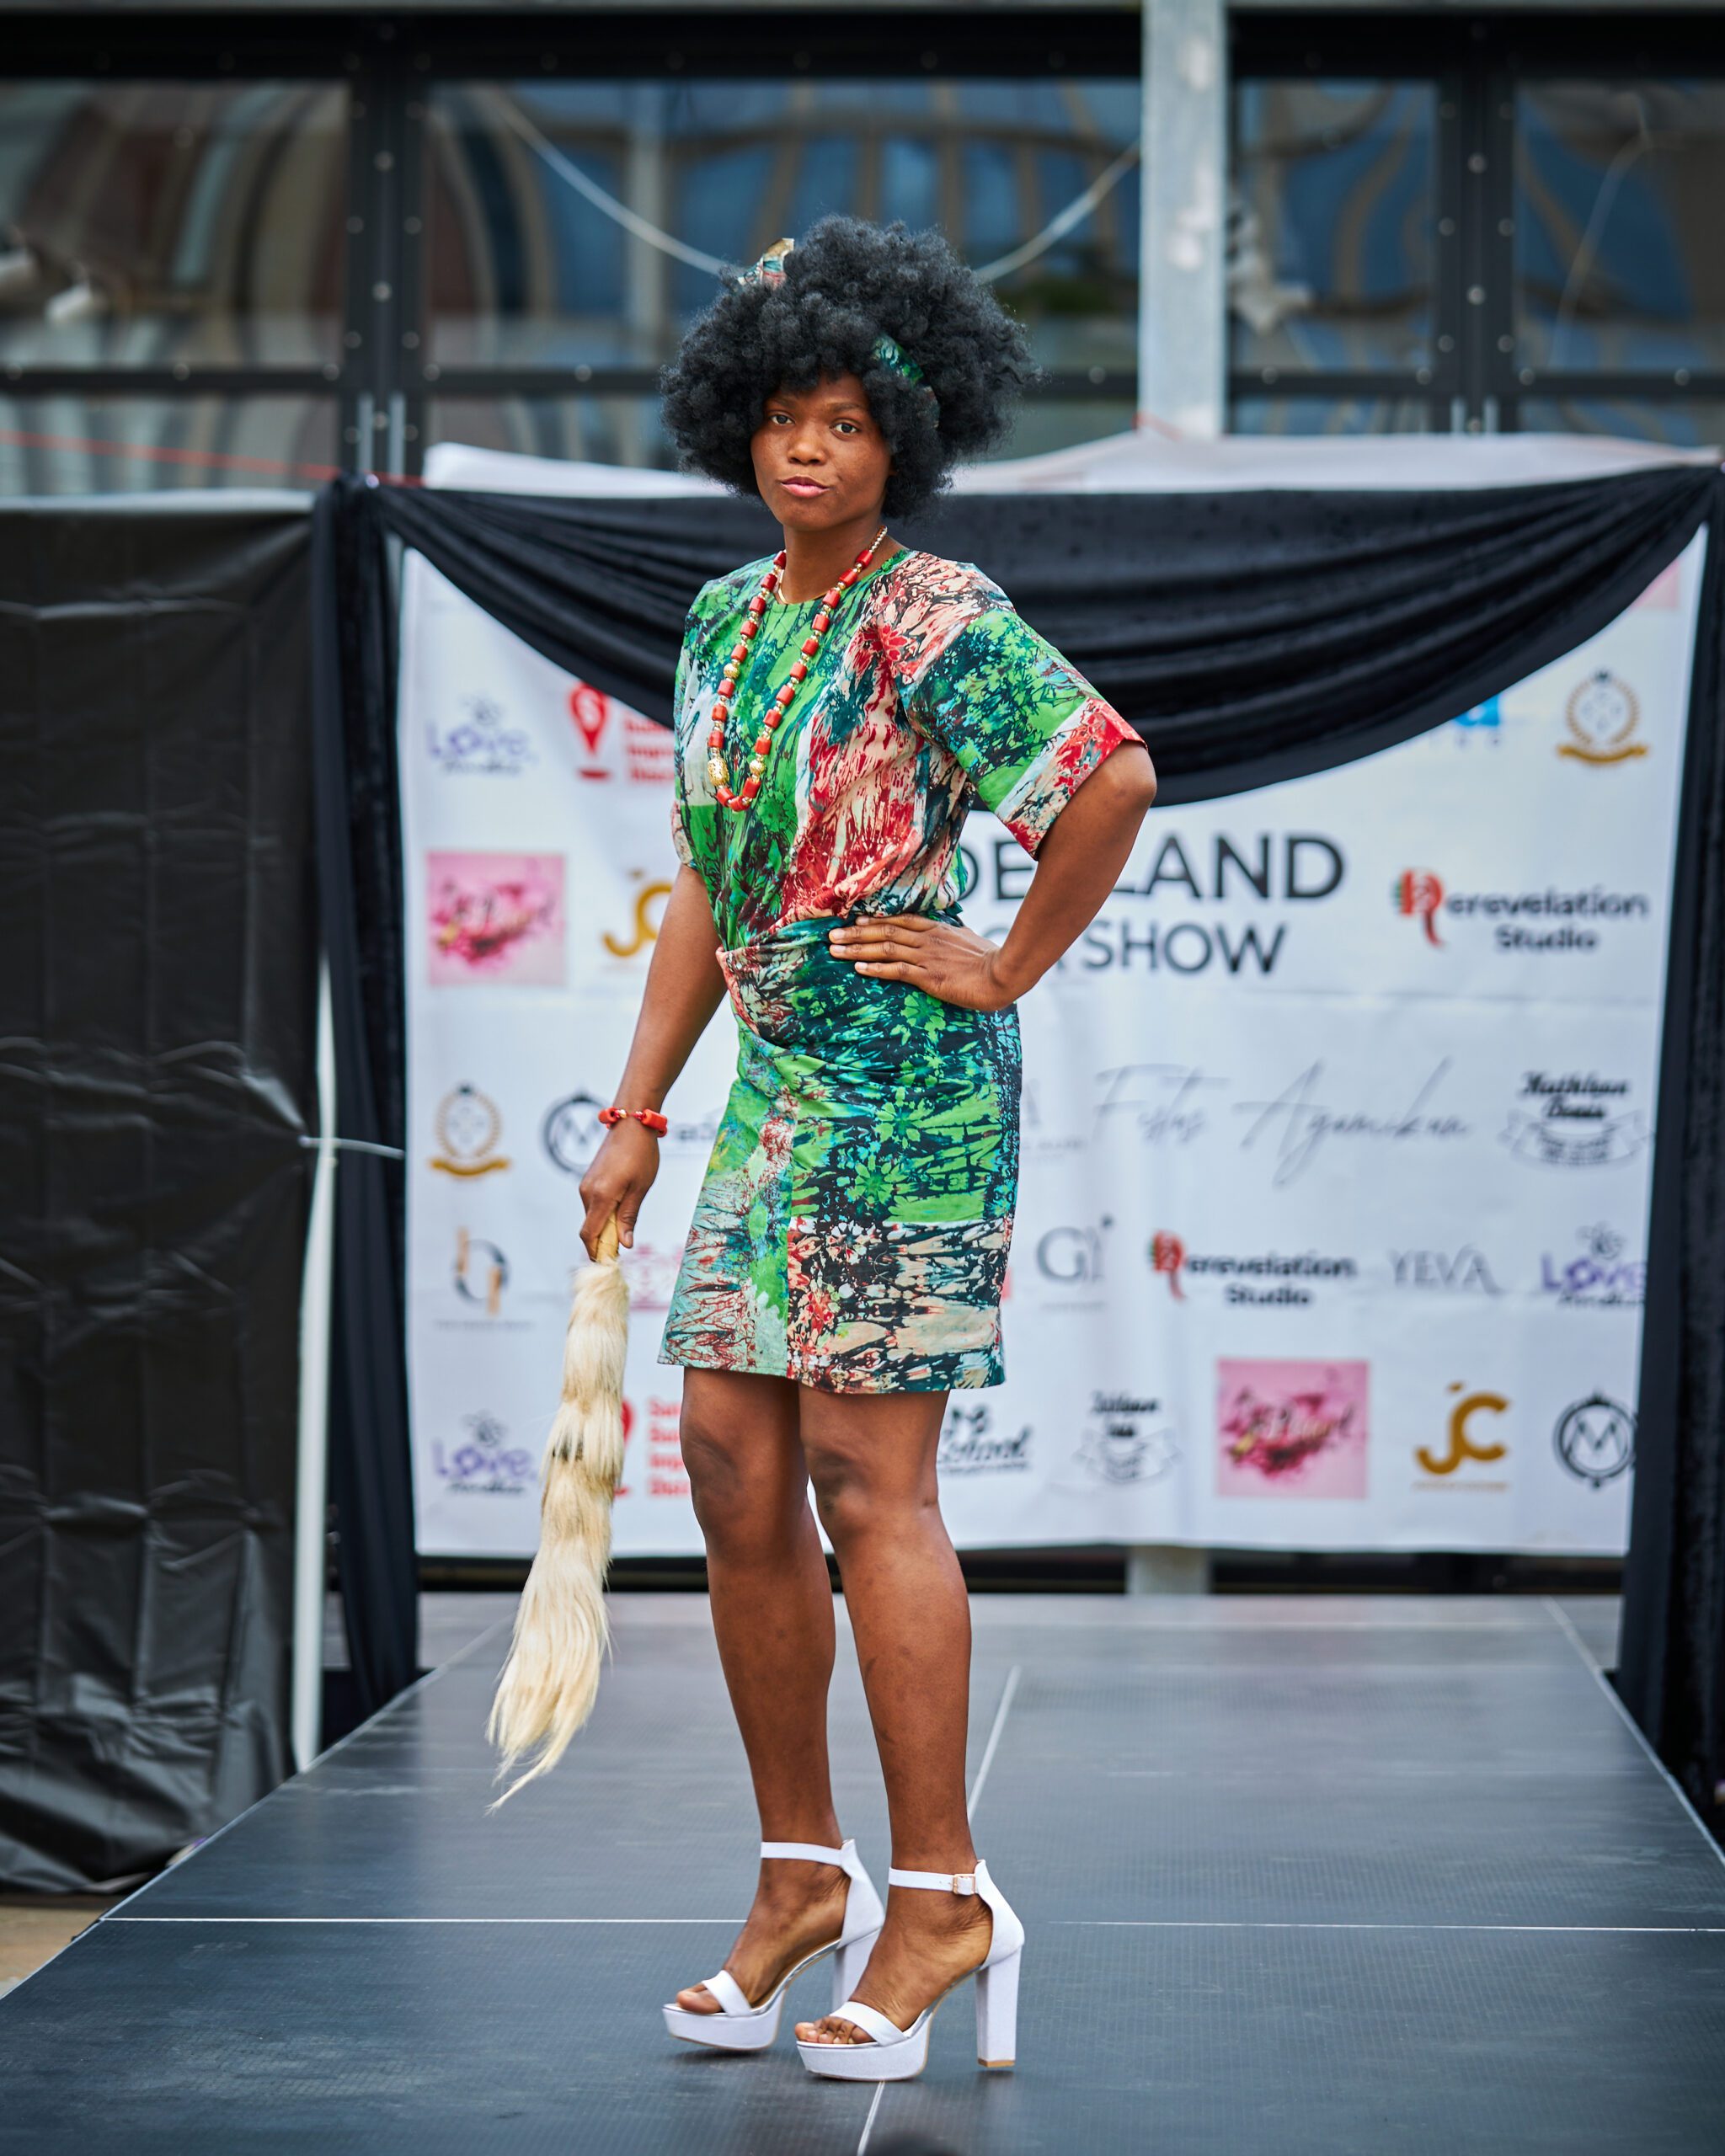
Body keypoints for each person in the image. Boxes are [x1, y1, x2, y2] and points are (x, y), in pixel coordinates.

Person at [578, 215, 1156, 2083]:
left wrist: (1003, 961)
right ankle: (798, 1871)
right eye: (781, 418)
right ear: (737, 427)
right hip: (773, 1089)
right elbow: (706, 887)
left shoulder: (938, 614)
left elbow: (1109, 775)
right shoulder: (722, 621)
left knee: (863, 1477)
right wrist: (635, 1113)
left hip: (909, 1090)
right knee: (728, 1464)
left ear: (903, 439)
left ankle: (941, 1894)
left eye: (843, 422)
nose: (806, 450)